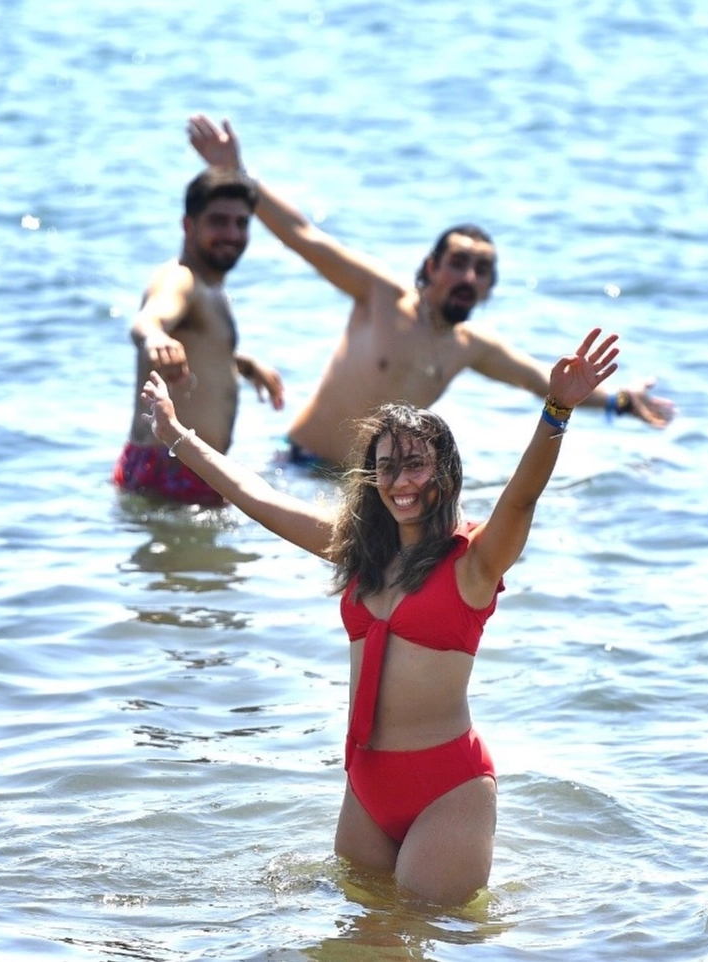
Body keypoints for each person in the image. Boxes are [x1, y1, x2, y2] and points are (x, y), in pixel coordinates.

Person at [138, 327, 622, 904]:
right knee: (355, 932)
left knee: (421, 927)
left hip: (448, 789)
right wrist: (176, 434)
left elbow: (520, 497)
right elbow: (258, 498)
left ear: (445, 474)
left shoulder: (474, 562)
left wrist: (556, 410)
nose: (400, 482)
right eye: (387, 467)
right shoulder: (358, 552)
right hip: (365, 789)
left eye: (416, 465)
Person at [184, 113, 675, 468]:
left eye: (482, 270)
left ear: (489, 287)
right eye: (458, 263)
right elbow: (303, 235)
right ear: (431, 267)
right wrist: (237, 172)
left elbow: (543, 382)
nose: (468, 277)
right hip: (296, 466)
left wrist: (619, 401)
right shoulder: (381, 296)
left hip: (362, 488)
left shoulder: (470, 346)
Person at [113, 167, 286, 505]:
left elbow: (201, 350)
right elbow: (149, 319)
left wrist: (244, 365)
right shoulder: (180, 278)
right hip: (169, 470)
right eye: (218, 221)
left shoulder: (211, 286)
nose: (232, 234)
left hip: (187, 467)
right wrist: (154, 337)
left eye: (241, 223)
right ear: (188, 225)